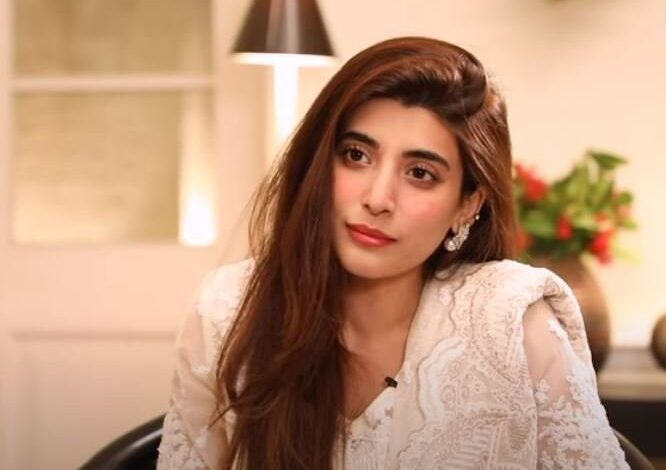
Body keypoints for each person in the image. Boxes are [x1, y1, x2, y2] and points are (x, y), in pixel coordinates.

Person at [156, 37, 628, 469]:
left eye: (420, 173)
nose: (378, 198)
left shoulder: (512, 322)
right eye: (356, 155)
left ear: (467, 204)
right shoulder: (226, 311)